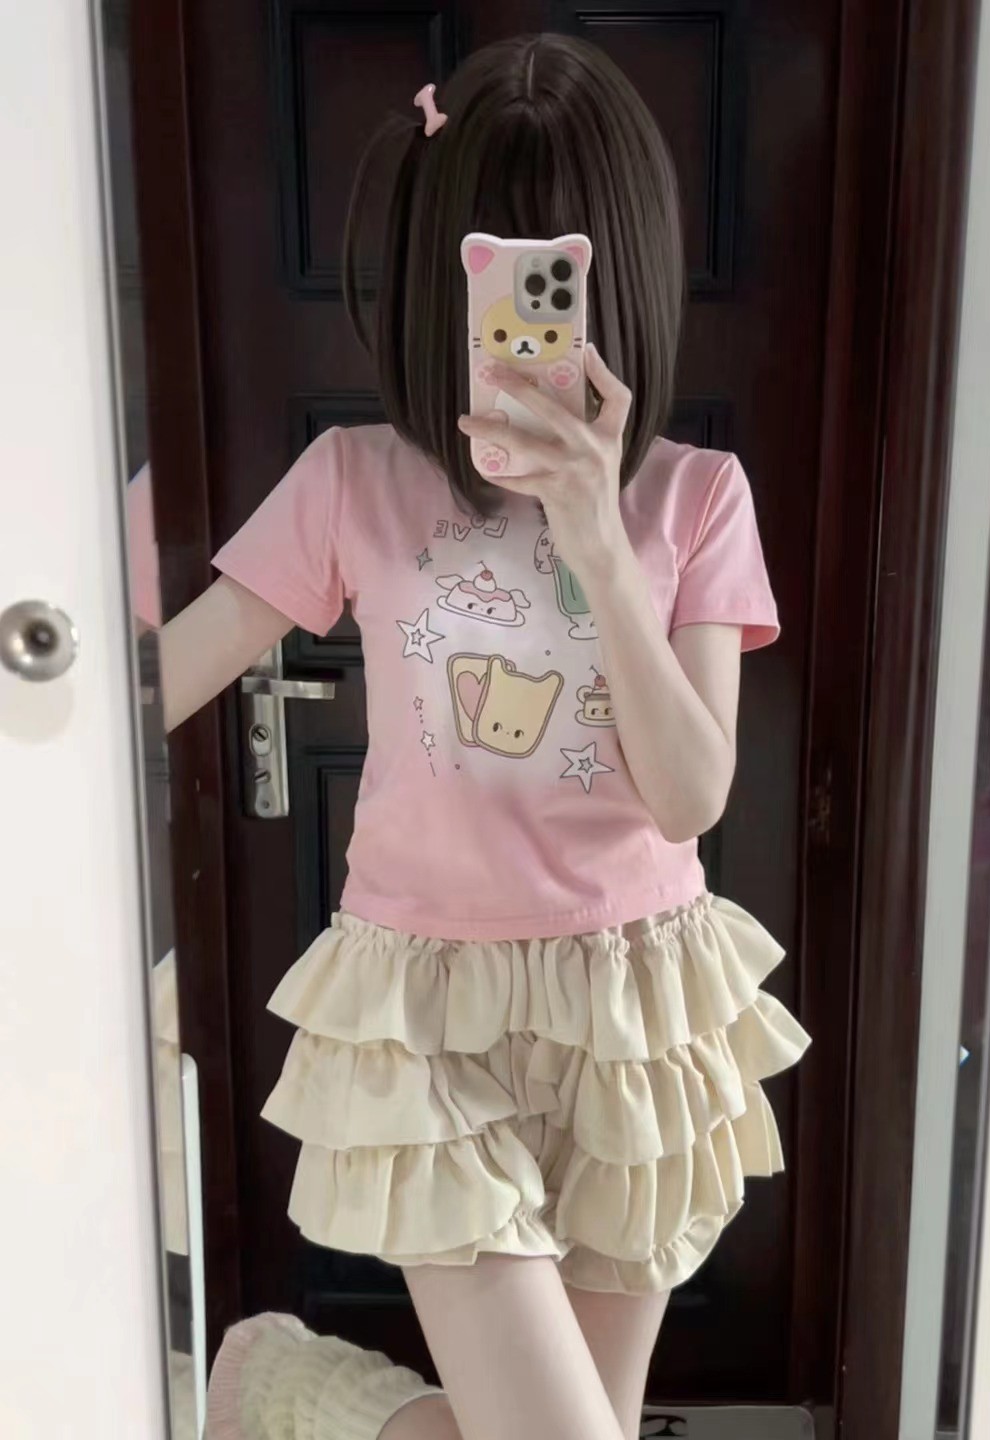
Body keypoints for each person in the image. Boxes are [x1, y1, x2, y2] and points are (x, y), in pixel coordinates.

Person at [161, 31, 811, 1440]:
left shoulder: (697, 497)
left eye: (556, 282)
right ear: (444, 283)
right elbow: (154, 689)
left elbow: (691, 796)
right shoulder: (352, 481)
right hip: (427, 1010)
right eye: (499, 280)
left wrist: (595, 537)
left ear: (616, 281)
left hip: (634, 1005)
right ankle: (286, 1386)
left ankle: (282, 1387)